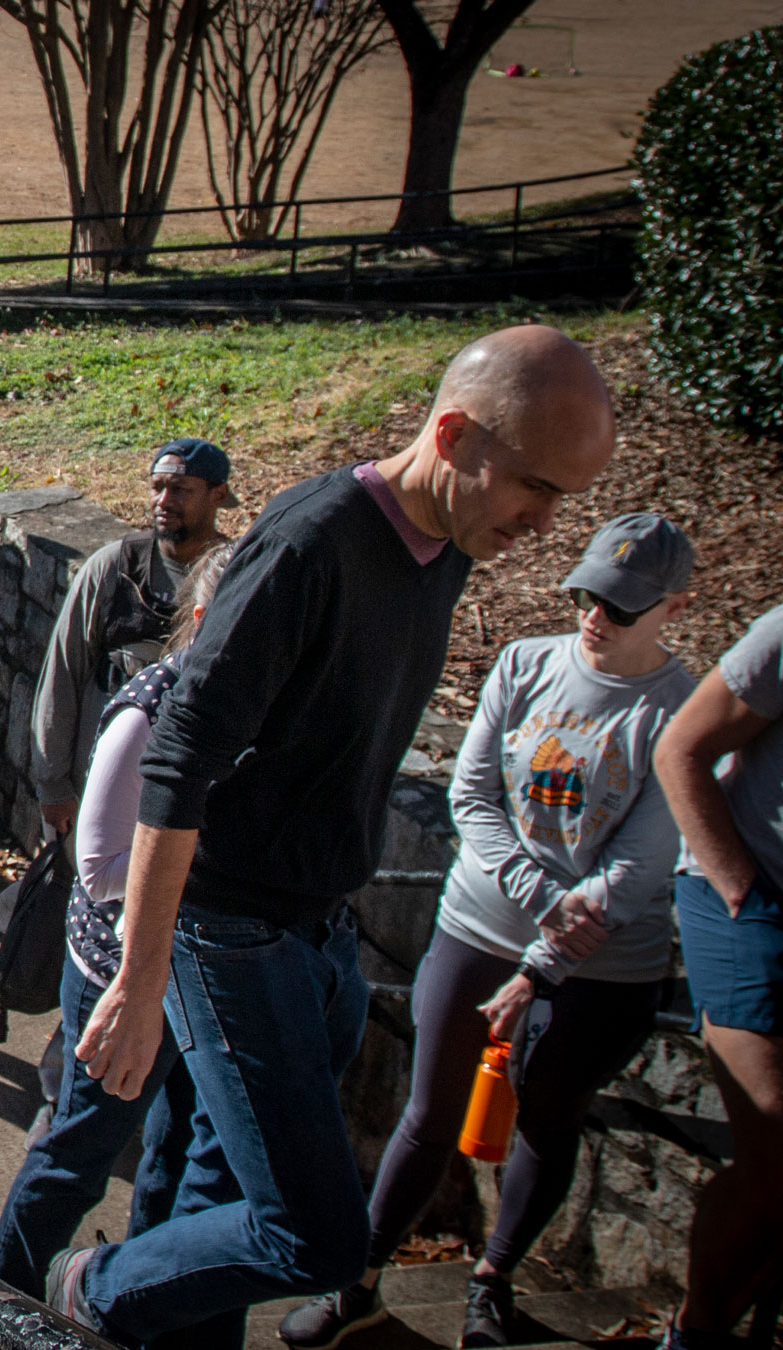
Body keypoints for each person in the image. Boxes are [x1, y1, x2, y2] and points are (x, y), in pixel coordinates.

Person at [42, 327, 617, 1349]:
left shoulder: (443, 547)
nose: (547, 521)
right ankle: (91, 1289)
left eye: (563, 498)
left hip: (317, 930)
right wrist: (139, 981)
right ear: (452, 434)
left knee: (214, 1181)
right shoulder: (312, 543)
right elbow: (178, 757)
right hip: (227, 928)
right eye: (535, 486)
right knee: (315, 1237)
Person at [275, 514, 697, 1350]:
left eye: (620, 607)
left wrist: (543, 962)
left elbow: (641, 868)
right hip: (480, 924)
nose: (594, 616)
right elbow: (471, 800)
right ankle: (358, 1279)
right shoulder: (525, 663)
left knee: (551, 1116)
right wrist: (543, 900)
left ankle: (492, 1281)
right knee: (429, 1113)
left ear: (673, 608)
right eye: (586, 595)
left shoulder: (678, 711)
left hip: (605, 966)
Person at [0, 541, 238, 1300]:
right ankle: (1, 1298)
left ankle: (141, 1291)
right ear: (202, 616)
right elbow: (98, 871)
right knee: (81, 1149)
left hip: (204, 974)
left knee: (182, 1147)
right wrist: (211, 870)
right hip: (118, 976)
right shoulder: (150, 710)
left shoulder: (253, 708)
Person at [655, 605, 783, 1350]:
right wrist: (739, 889)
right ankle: (697, 1329)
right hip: (739, 883)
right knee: (772, 1123)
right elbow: (680, 752)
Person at [34, 439, 236, 840]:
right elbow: (63, 672)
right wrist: (53, 784)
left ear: (218, 495)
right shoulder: (113, 566)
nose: (164, 500)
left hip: (186, 770)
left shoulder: (232, 576)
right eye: (157, 487)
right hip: (101, 756)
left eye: (180, 489)